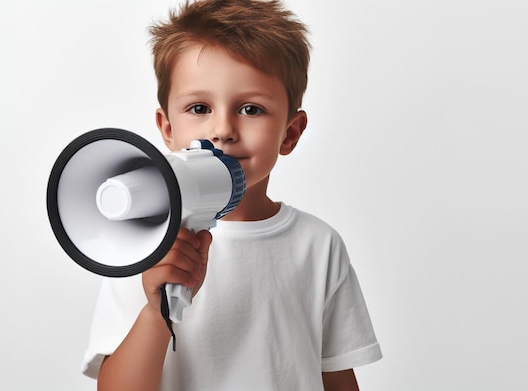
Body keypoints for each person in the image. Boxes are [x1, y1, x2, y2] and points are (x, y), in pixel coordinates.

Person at [82, 0, 382, 389]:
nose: (222, 130)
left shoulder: (317, 245)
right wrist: (157, 315)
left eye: (251, 109)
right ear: (167, 127)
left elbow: (337, 376)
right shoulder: (140, 245)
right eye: (199, 107)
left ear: (290, 133)